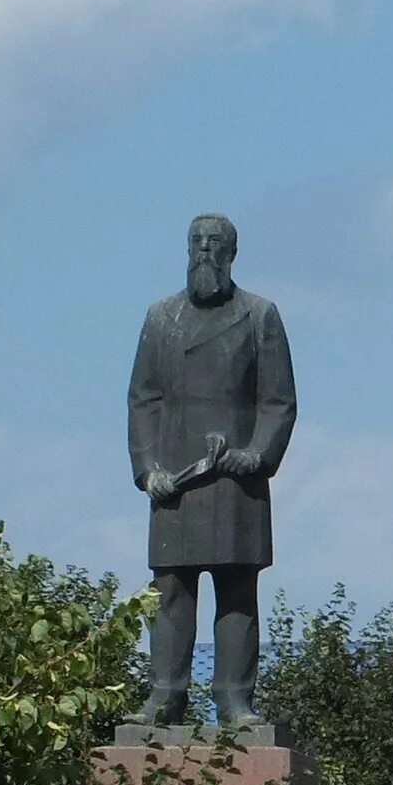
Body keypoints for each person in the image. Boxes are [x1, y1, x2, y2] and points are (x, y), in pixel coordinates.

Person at [125, 213, 296, 725]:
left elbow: (278, 402)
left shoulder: (259, 315)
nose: (204, 250)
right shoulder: (160, 318)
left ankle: (234, 700)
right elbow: (143, 399)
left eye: (214, 242)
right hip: (175, 480)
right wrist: (147, 468)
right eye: (196, 242)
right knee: (171, 590)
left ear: (232, 253)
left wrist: (255, 455)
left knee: (236, 590)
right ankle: (165, 695)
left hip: (235, 481)